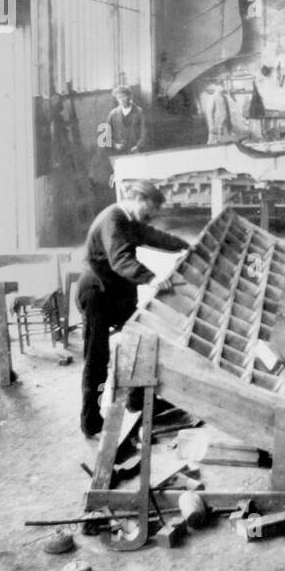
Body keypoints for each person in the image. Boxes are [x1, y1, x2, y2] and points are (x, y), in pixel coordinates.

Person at [76, 179, 190, 437]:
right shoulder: (113, 220)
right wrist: (152, 278)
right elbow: (121, 260)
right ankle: (90, 419)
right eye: (148, 211)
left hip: (116, 292)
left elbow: (152, 236)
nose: (150, 217)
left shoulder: (128, 221)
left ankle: (137, 400)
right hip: (97, 293)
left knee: (140, 341)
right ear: (137, 200)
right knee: (97, 358)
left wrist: (184, 245)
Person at [104, 85, 147, 155]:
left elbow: (144, 132)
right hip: (119, 150)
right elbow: (106, 134)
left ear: (129, 96)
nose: (121, 100)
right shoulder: (113, 114)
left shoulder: (139, 111)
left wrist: (138, 146)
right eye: (119, 98)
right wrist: (115, 145)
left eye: (123, 96)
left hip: (136, 149)